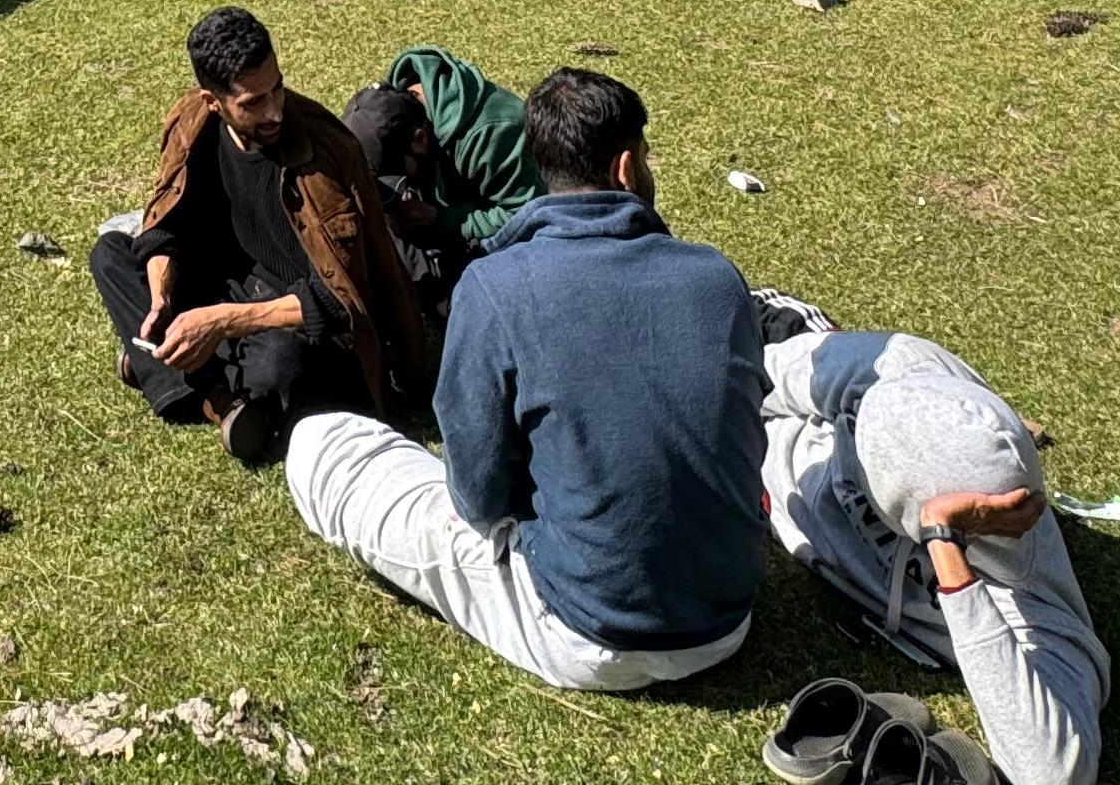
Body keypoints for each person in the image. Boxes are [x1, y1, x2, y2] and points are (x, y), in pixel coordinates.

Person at [288, 65, 764, 690]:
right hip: (729, 622)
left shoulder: (494, 286)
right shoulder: (716, 278)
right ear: (626, 169)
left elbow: (478, 501)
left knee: (320, 444)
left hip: (585, 630)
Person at [753, 313, 1109, 785]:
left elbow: (1054, 777)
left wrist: (944, 543)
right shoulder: (891, 369)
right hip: (792, 373)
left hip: (764, 473)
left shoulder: (1033, 608)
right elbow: (750, 373)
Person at [90, 7, 431, 466]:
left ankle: (169, 371)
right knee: (110, 254)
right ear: (213, 102)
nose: (274, 111)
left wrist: (222, 322)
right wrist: (160, 302)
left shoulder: (326, 154)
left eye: (278, 89)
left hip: (299, 322)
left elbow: (340, 299)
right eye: (253, 103)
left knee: (279, 365)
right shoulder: (192, 124)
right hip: (229, 285)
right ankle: (213, 394)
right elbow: (167, 228)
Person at [340, 82, 474, 369]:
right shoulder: (361, 136)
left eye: (395, 182)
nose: (399, 198)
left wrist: (441, 218)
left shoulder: (475, 147)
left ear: (420, 139)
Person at [381, 45, 539, 244]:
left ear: (420, 139)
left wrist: (440, 218)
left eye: (401, 176)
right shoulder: (394, 113)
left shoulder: (494, 135)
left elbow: (526, 216)